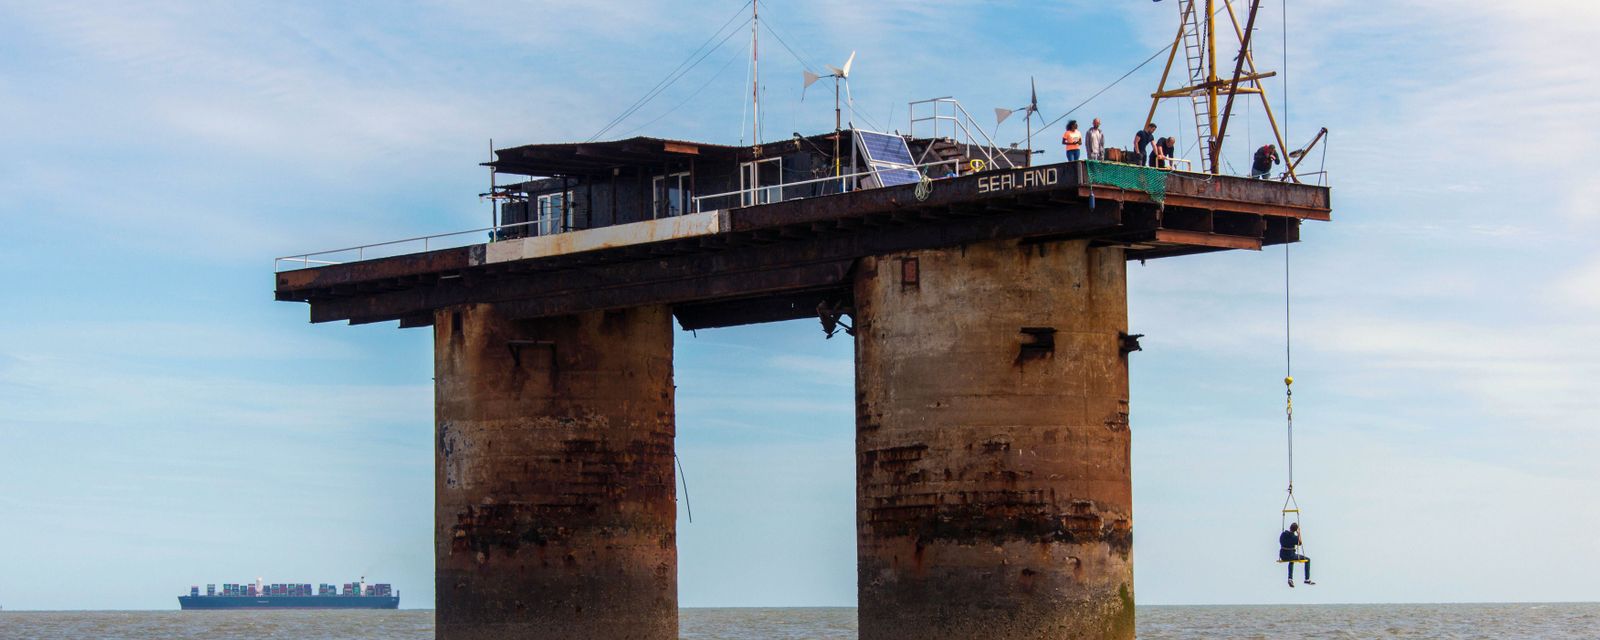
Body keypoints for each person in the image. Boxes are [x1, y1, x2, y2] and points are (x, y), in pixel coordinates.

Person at [1279, 523, 1314, 587]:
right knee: (1307, 560)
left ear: (1290, 527)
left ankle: (1290, 579)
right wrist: (1299, 533)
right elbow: (1300, 543)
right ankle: (1307, 579)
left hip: (1282, 555)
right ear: (1295, 530)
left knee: (1291, 561)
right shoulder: (1294, 537)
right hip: (1290, 555)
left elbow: (1280, 541)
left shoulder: (1283, 534)